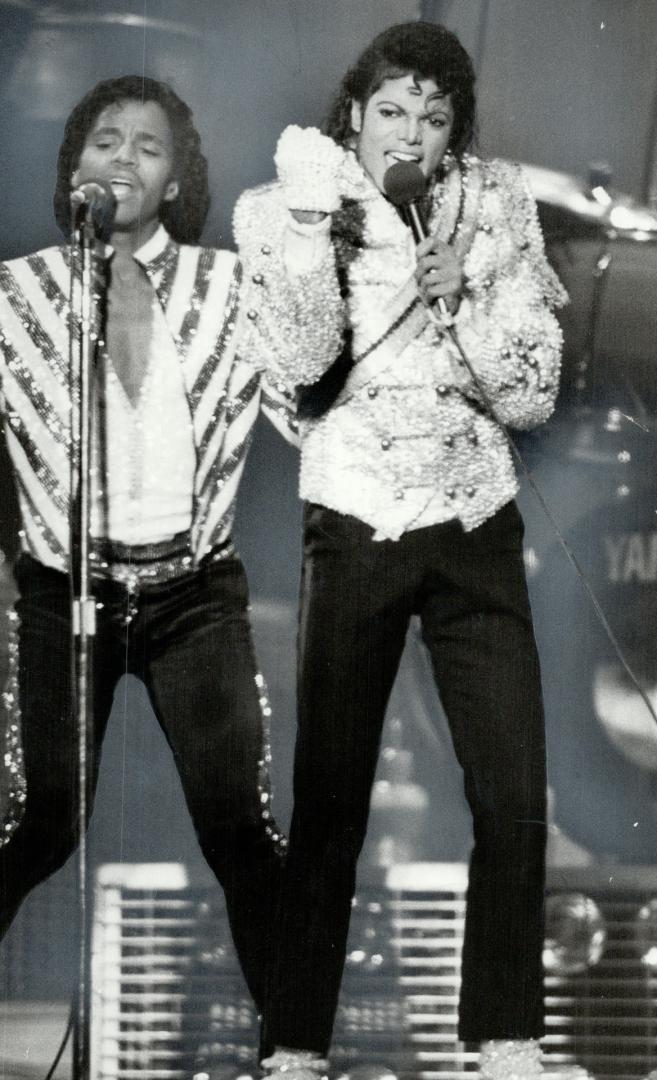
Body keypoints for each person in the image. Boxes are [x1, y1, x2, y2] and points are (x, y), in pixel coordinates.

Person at [234, 21, 567, 1079]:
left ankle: (508, 1037)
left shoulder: (495, 204)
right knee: (331, 796)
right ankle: (295, 1043)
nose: (411, 134)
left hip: (474, 514)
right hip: (356, 505)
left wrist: (459, 298)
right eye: (392, 112)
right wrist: (305, 229)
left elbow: (533, 390)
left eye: (433, 117)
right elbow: (296, 364)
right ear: (355, 114)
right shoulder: (287, 204)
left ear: (455, 130)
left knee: (514, 787)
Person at [0, 75, 340, 1049]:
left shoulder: (227, 285)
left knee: (240, 830)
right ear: (75, 164)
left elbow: (307, 394)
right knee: (43, 826)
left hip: (193, 591)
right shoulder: (19, 293)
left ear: (176, 177)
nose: (121, 159)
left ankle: (294, 1053)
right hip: (63, 590)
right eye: (105, 140)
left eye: (147, 147)